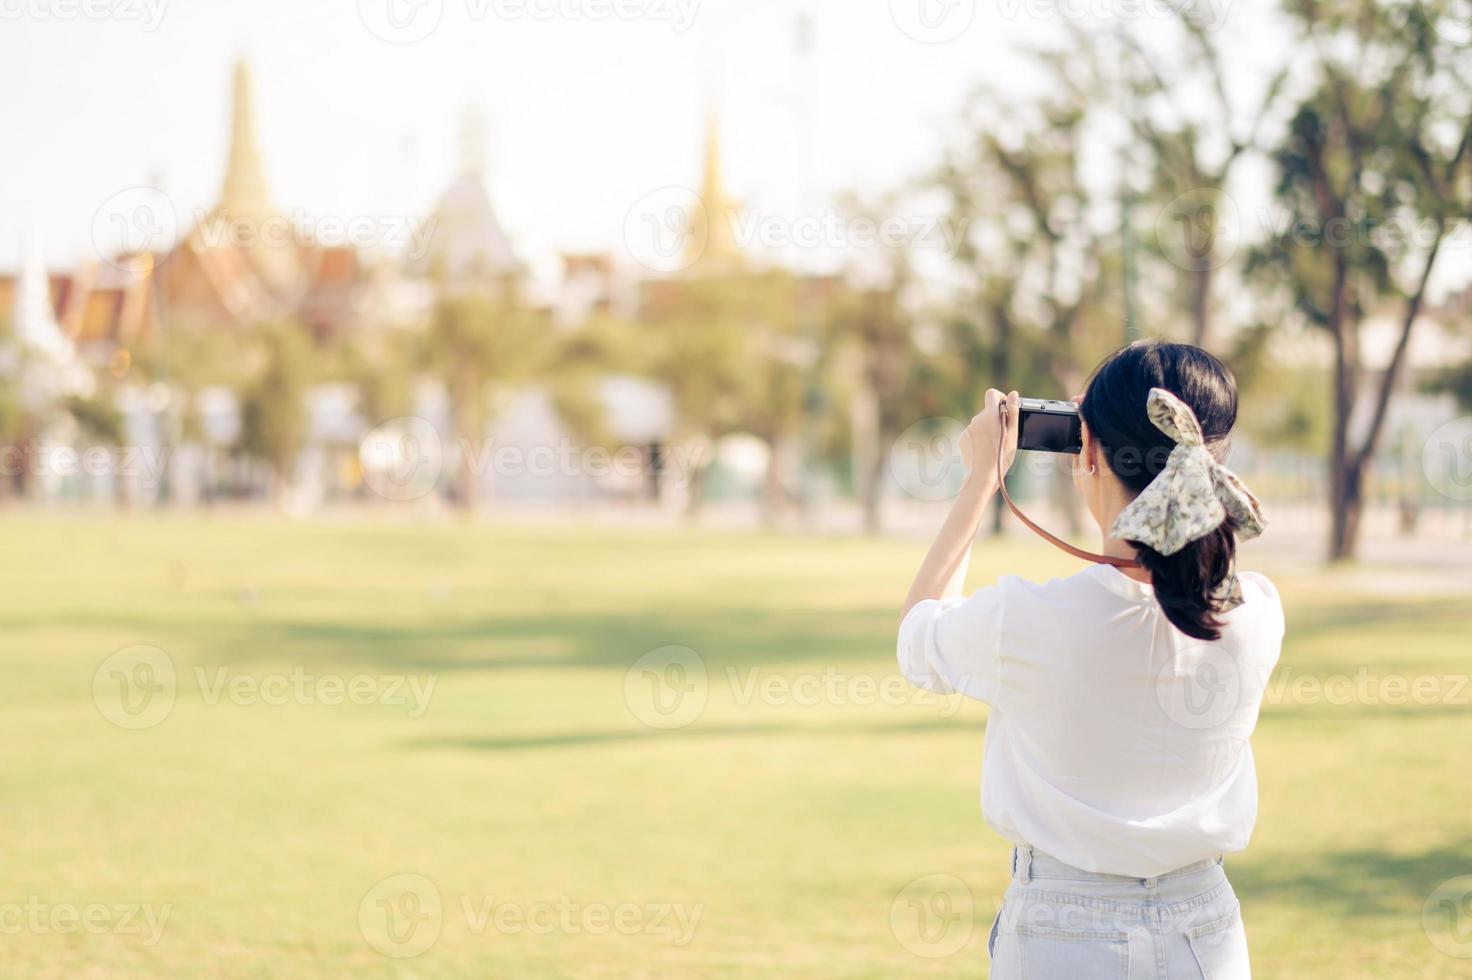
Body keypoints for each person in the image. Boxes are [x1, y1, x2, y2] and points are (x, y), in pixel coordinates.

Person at [897, 340, 1283, 979]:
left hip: (1061, 934)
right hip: (1206, 933)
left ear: (1090, 453)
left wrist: (980, 482)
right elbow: (1179, 579)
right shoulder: (1257, 613)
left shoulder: (1028, 621)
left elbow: (919, 639)